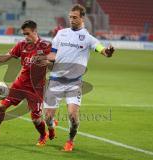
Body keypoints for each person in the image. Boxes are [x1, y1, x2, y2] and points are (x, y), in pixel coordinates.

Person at [33, 4, 115, 151]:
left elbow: (102, 50)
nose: (71, 20)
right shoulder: (61, 34)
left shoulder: (88, 39)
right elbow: (53, 55)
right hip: (55, 80)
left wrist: (107, 51)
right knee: (47, 118)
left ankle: (70, 140)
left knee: (72, 115)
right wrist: (43, 58)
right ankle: (51, 128)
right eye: (70, 17)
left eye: (75, 17)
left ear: (83, 18)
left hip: (74, 83)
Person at [0, 20, 52, 146]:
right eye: (24, 34)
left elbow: (56, 63)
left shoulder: (46, 46)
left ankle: (43, 135)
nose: (25, 37)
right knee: (1, 107)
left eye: (27, 34)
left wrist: (48, 63)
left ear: (35, 32)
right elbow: (5, 58)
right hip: (20, 84)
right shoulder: (21, 45)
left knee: (36, 119)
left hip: (36, 88)